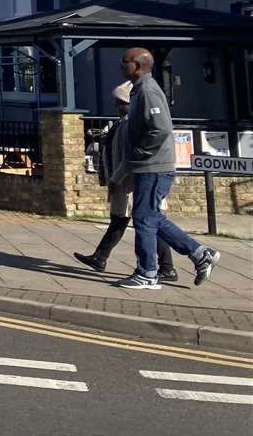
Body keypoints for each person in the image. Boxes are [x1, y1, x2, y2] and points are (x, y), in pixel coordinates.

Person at [113, 47, 220, 291]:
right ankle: (200, 254)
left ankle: (147, 273)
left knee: (143, 218)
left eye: (125, 61)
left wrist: (140, 153)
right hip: (147, 166)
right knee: (152, 217)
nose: (121, 65)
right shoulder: (140, 90)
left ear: (137, 66)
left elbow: (160, 130)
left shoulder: (149, 91)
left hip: (153, 166)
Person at [74, 81, 175, 281]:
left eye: (121, 102)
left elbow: (128, 156)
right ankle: (100, 257)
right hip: (125, 181)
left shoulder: (131, 124)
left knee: (146, 223)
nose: (117, 106)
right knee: (122, 221)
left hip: (131, 182)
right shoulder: (123, 123)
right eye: (117, 102)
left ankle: (167, 267)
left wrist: (115, 178)